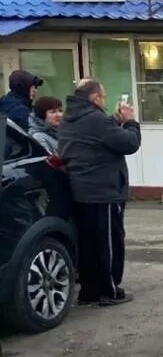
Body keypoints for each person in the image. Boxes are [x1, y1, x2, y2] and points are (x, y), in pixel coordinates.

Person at [58, 79, 141, 306]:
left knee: (88, 243)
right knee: (109, 243)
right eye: (102, 97)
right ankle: (109, 290)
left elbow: (98, 136)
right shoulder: (95, 119)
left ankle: (90, 290)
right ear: (95, 98)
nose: (104, 101)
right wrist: (131, 122)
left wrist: (115, 120)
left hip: (80, 190)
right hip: (103, 190)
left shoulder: (71, 118)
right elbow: (129, 143)